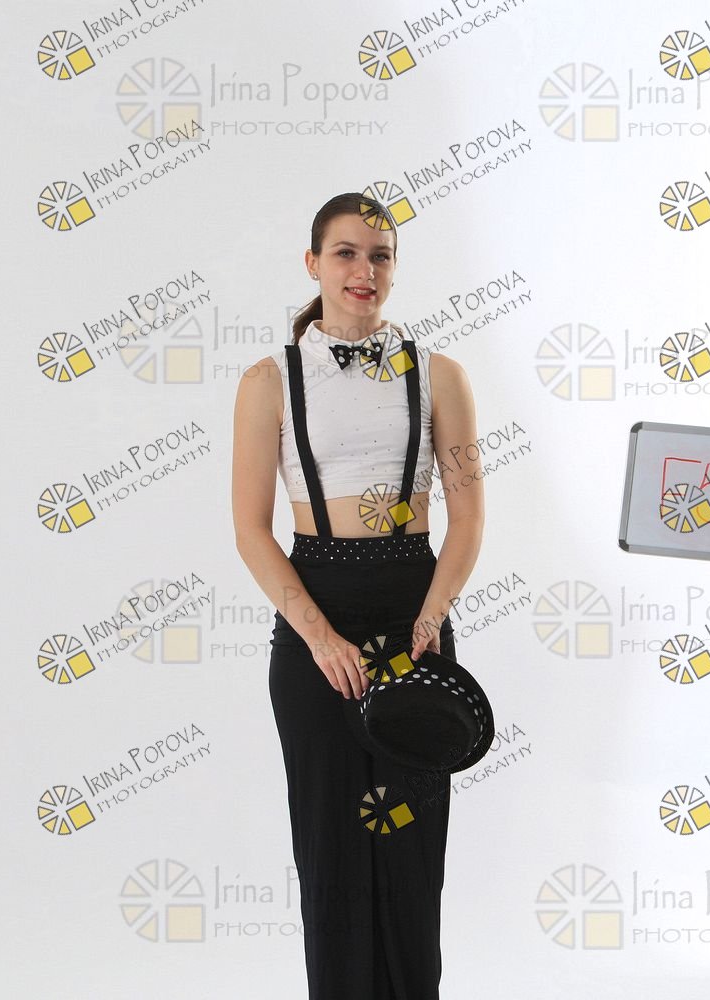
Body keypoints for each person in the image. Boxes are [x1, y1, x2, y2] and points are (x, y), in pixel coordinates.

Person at [231, 192, 484, 999]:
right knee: (332, 851)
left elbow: (468, 518)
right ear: (313, 264)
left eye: (380, 255)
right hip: (317, 617)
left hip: (416, 613)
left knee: (411, 847)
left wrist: (431, 618)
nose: (362, 270)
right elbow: (250, 529)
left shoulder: (440, 375)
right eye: (345, 253)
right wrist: (319, 637)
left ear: (395, 267)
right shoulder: (269, 381)